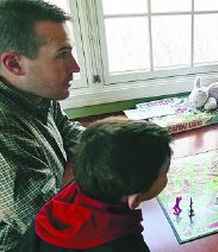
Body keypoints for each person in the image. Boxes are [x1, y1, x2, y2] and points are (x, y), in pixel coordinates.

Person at [0, 0, 85, 250]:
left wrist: (107, 144)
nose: (75, 67)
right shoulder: (4, 126)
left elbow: (66, 129)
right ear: (14, 64)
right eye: (62, 55)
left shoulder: (36, 92)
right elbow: (51, 219)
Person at [16, 118, 172, 251]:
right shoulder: (126, 244)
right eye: (164, 173)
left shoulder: (67, 196)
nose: (166, 177)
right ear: (135, 199)